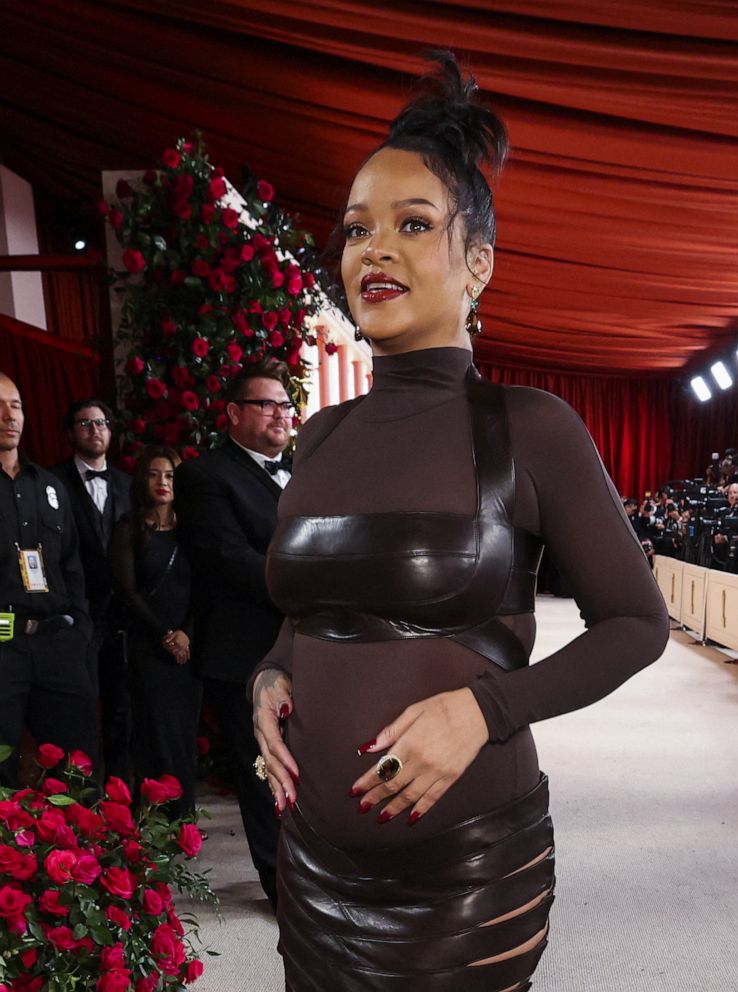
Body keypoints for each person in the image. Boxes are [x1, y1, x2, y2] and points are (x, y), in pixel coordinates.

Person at [250, 53, 670, 991]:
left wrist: (488, 709)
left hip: (467, 871)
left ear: (477, 262)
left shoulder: (530, 428)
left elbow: (639, 627)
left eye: (412, 224)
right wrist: (271, 676)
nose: (374, 250)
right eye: (357, 230)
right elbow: (309, 615)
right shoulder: (317, 437)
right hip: (310, 862)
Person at [175, 360, 291, 908]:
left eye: (285, 405)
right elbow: (227, 559)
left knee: (307, 764)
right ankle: (280, 885)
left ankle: (320, 870)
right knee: (261, 770)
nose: (280, 414)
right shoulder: (205, 475)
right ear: (234, 414)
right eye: (267, 403)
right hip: (243, 650)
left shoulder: (301, 471)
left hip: (304, 646)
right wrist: (309, 584)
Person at [0, 372, 97, 785]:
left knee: (77, 768)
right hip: (3, 643)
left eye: (16, 405)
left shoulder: (50, 486)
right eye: (0, 405)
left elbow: (72, 565)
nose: (9, 415)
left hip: (59, 643)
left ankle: (84, 850)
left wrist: (80, 628)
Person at [110, 445, 201, 817]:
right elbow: (126, 591)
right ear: (142, 479)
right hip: (149, 647)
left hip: (187, 650)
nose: (163, 482)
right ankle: (155, 818)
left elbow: (204, 589)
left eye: (170, 475)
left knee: (183, 735)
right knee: (153, 732)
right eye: (154, 474)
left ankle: (184, 817)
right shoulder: (129, 527)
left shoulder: (192, 529)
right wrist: (165, 633)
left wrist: (186, 634)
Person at [50, 398, 132, 781]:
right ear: (70, 433)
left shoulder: (129, 485)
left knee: (123, 709)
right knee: (80, 712)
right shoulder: (51, 483)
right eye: (85, 424)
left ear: (110, 431)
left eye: (101, 422)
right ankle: (87, 798)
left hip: (125, 616)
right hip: (76, 615)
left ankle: (122, 793)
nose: (94, 430)